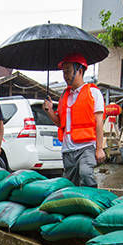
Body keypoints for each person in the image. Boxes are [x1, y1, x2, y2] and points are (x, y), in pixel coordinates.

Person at [43, 53, 105, 187]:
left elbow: (99, 121)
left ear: (80, 71)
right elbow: (60, 123)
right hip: (68, 149)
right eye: (63, 72)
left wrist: (99, 148)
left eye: (68, 72)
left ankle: (93, 202)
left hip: (86, 146)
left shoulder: (93, 93)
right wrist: (49, 111)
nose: (65, 76)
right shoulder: (65, 96)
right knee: (70, 184)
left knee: (86, 173)